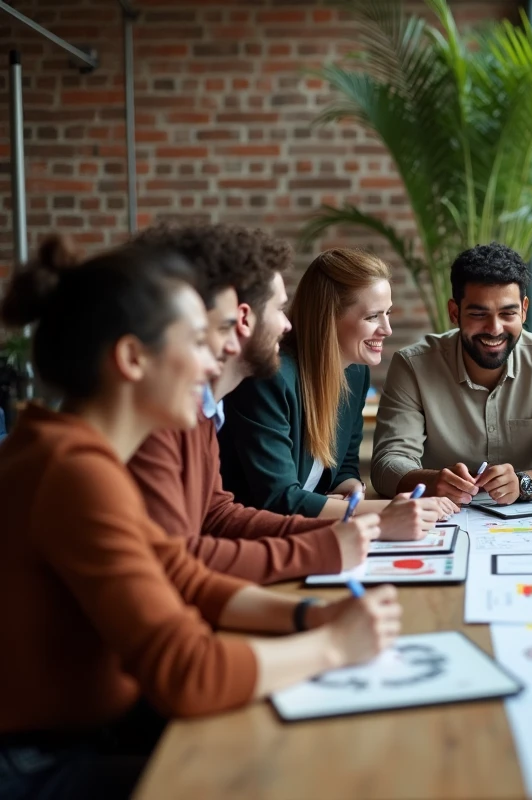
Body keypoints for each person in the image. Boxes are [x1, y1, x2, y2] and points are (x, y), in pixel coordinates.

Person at [0, 239, 400, 798]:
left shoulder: (82, 453)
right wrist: (333, 647)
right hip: (43, 759)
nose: (216, 358)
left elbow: (180, 573)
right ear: (133, 359)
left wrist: (311, 618)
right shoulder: (72, 470)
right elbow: (188, 672)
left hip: (90, 730)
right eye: (197, 341)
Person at [126, 225, 452, 584]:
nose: (286, 324)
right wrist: (368, 519)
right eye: (373, 316)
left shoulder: (203, 414)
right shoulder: (194, 413)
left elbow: (216, 516)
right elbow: (189, 557)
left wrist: (351, 499)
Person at [219, 248, 451, 523]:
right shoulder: (269, 378)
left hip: (310, 532)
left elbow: (344, 467)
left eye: (387, 313)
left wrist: (350, 487)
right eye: (372, 317)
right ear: (328, 318)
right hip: (254, 538)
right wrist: (387, 510)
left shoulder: (355, 374)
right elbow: (278, 499)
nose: (387, 329)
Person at [371, 242, 532, 505]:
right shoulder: (413, 366)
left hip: (528, 518)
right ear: (455, 312)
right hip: (442, 515)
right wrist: (433, 482)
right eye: (478, 314)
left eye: (508, 313)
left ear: (524, 310)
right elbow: (387, 463)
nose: (494, 328)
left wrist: (525, 482)